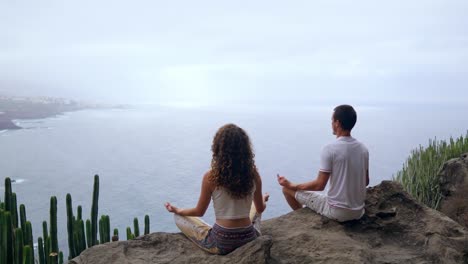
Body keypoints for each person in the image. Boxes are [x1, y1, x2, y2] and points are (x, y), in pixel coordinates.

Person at [165, 123, 269, 255]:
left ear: (218, 149)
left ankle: (183, 216)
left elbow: (199, 211)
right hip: (249, 238)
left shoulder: (210, 177)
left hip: (221, 242)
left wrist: (178, 210)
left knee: (178, 217)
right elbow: (260, 209)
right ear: (246, 150)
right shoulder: (254, 174)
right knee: (255, 209)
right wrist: (263, 199)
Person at [277, 104, 369, 222]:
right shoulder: (363, 149)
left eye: (332, 120)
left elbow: (319, 185)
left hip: (337, 212)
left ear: (337, 123)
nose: (331, 123)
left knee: (286, 190)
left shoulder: (330, 149)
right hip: (358, 211)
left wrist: (292, 185)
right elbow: (366, 182)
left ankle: (303, 221)